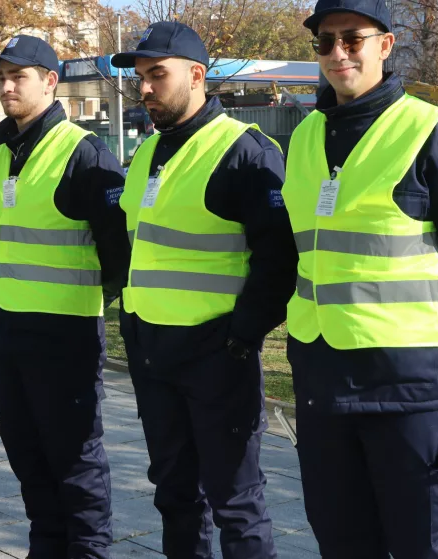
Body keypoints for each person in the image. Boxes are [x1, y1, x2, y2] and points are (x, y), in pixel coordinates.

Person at [281, 1, 438, 557]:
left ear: (385, 45)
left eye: (352, 39)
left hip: (409, 388)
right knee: (341, 541)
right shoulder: (306, 136)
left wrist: (429, 344)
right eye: (324, 41)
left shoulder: (434, 133)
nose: (337, 53)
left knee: (419, 545)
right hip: (323, 379)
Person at [111, 21, 296, 559]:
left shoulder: (245, 152)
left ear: (197, 75)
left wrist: (243, 334)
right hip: (151, 350)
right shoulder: (148, 153)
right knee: (173, 493)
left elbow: (279, 258)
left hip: (217, 354)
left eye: (157, 75)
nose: (145, 88)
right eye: (141, 77)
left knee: (235, 499)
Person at [0, 35, 130, 559]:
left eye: (18, 76)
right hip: (6, 332)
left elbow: (118, 252)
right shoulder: (0, 154)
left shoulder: (83, 152)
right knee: (26, 453)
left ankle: (88, 551)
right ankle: (46, 545)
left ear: (50, 82)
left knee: (75, 460)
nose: (6, 85)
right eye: (1, 77)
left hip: (63, 335)